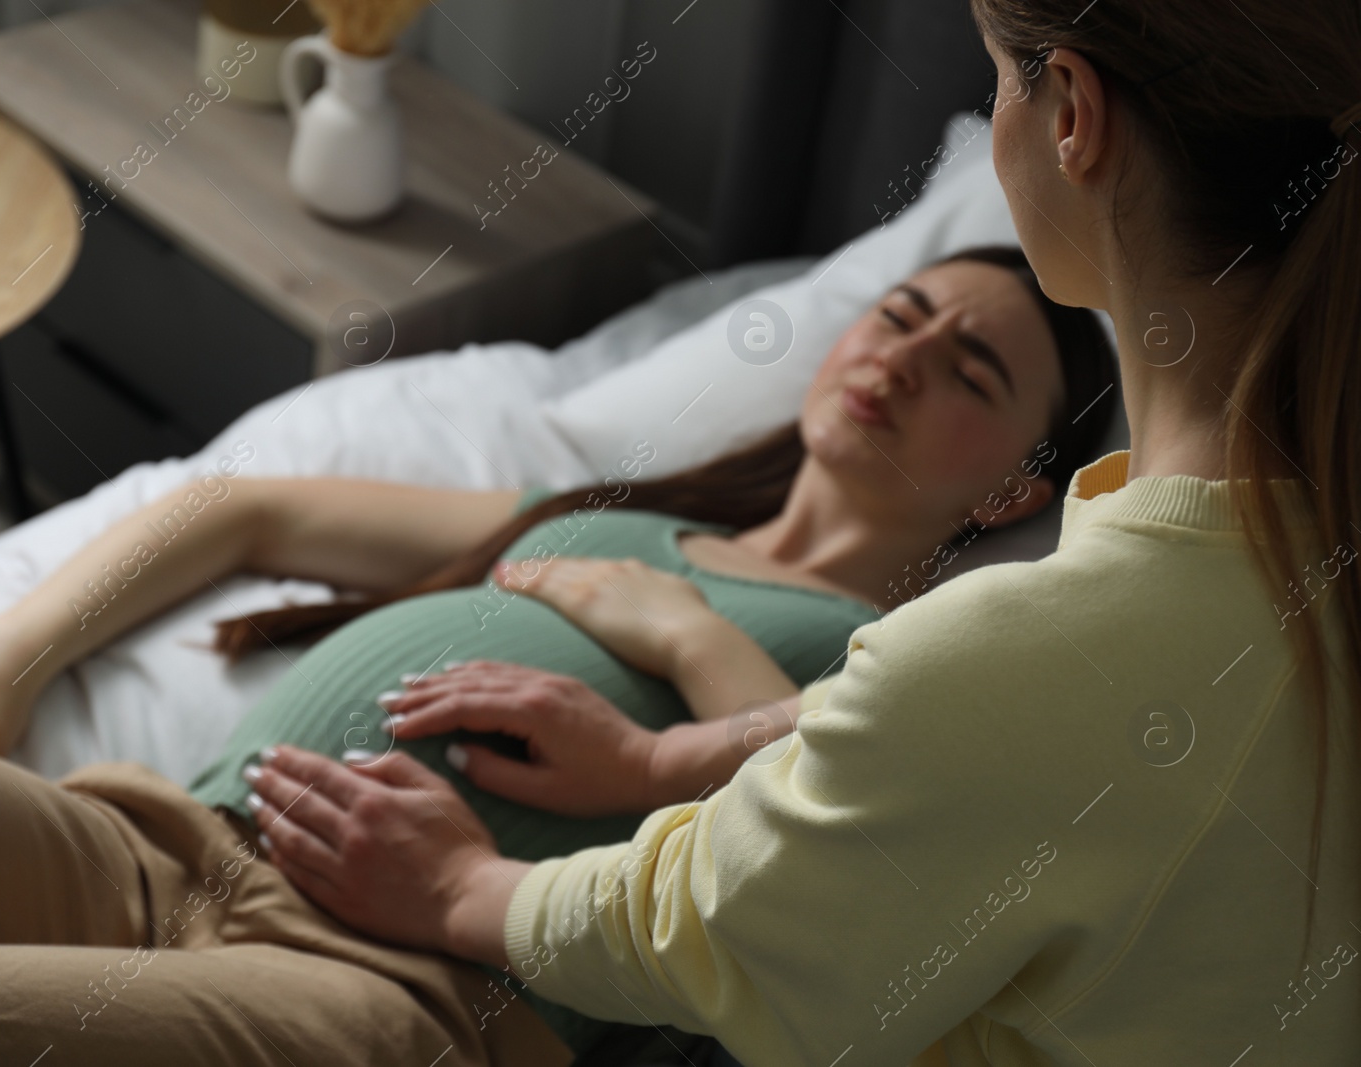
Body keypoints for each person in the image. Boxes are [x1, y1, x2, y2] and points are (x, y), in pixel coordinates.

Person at [231, 2, 1361, 1066]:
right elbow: (984, 745)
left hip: (384, 971)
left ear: (1071, 113)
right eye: (900, 316)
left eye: (994, 76)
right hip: (191, 833)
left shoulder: (1024, 645)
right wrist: (663, 758)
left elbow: (719, 921)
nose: (901, 362)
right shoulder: (1239, 588)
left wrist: (461, 889)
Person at [0, 245, 1116, 1065]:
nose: (913, 351)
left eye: (975, 370)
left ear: (1010, 496)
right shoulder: (616, 525)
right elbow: (245, 507)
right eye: (903, 311)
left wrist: (687, 635)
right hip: (163, 842)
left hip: (396, 1001)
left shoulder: (912, 652)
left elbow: (824, 833)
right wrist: (8, 656)